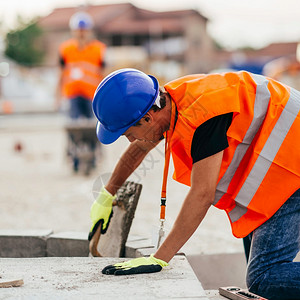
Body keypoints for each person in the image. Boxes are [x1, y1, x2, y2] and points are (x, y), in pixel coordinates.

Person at [89, 68, 300, 300]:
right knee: (260, 270)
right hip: (283, 163)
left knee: (265, 278)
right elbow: (137, 152)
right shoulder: (171, 102)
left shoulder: (204, 116)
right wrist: (107, 195)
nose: (132, 140)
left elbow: (202, 195)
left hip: (292, 168)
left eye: (129, 134)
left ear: (147, 118)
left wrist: (160, 258)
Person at [56, 11, 106, 172]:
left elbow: (104, 73)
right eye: (79, 29)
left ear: (89, 30)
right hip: (71, 94)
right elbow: (60, 73)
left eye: (84, 29)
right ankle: (75, 157)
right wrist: (57, 96)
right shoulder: (66, 49)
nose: (81, 33)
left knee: (94, 127)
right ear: (73, 31)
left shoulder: (99, 49)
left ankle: (92, 154)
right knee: (74, 126)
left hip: (92, 95)